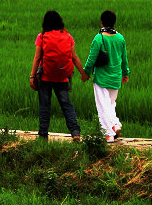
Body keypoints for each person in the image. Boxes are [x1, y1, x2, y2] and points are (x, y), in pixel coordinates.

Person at [30, 9, 85, 141]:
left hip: (45, 77)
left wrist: (32, 77)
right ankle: (75, 132)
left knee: (44, 106)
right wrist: (83, 73)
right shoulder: (68, 36)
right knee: (66, 105)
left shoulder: (42, 36)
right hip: (62, 77)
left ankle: (43, 136)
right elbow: (74, 57)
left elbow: (37, 58)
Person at [81, 9, 130, 142]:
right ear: (114, 22)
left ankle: (108, 134)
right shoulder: (120, 38)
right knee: (110, 104)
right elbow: (124, 58)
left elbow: (91, 59)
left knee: (102, 106)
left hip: (102, 78)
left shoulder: (99, 38)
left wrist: (85, 73)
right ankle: (114, 124)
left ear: (101, 22)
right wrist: (125, 73)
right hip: (116, 78)